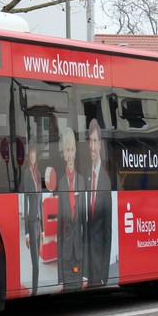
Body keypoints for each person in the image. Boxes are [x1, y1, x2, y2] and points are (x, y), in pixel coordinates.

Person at [85, 119, 113, 287]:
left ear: (100, 144)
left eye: (95, 141)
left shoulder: (105, 180)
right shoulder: (87, 174)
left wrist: (104, 274)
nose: (92, 146)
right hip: (88, 263)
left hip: (99, 266)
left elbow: (108, 232)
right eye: (90, 141)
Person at [57, 127, 85, 291]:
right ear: (64, 153)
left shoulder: (82, 181)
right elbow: (60, 232)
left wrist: (86, 274)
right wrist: (60, 279)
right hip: (67, 253)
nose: (70, 154)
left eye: (72, 149)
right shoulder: (61, 184)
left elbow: (85, 227)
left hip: (80, 251)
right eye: (67, 150)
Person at [21, 141, 43, 296]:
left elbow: (40, 201)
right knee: (35, 261)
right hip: (31, 221)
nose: (32, 156)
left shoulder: (38, 174)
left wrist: (42, 229)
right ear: (28, 156)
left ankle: (37, 289)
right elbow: (26, 200)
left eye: (34, 153)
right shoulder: (27, 174)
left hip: (38, 223)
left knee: (38, 261)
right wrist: (27, 233)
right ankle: (35, 291)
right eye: (30, 154)